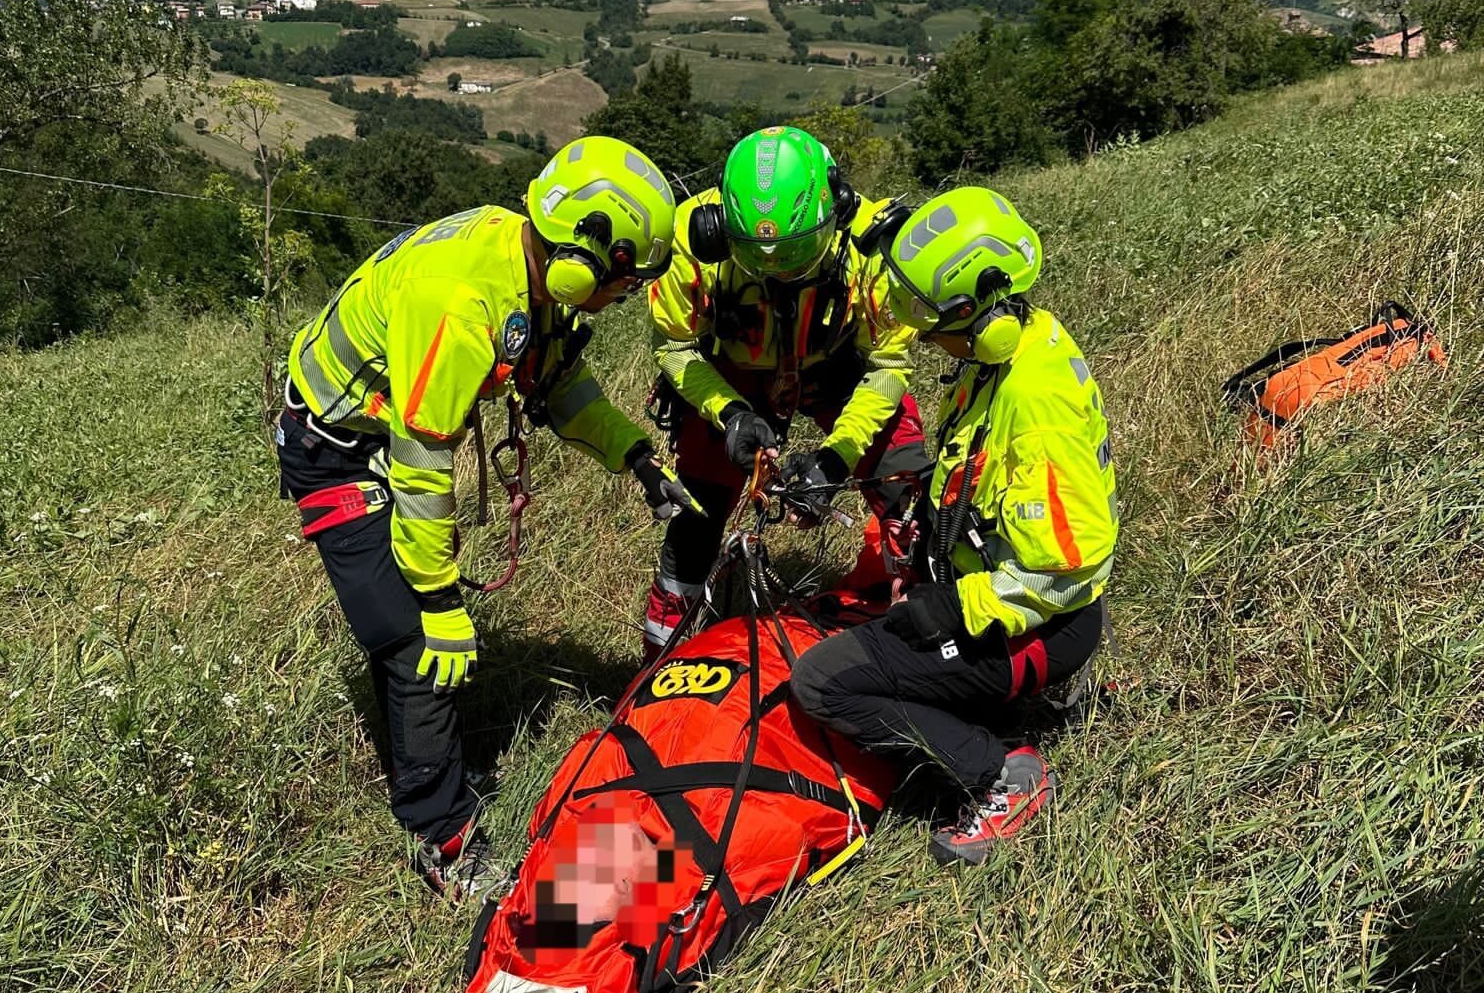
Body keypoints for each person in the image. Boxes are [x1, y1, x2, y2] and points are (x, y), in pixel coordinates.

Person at [279, 136, 693, 893]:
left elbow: (561, 387)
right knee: (412, 639)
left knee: (410, 628)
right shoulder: (461, 304)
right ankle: (443, 839)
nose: (625, 298)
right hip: (335, 449)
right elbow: (421, 463)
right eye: (626, 282)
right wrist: (439, 599)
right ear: (584, 259)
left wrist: (637, 458)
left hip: (383, 435)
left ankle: (430, 766)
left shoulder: (528, 266)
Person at [789, 186, 1118, 867]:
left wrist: (952, 608)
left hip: (1043, 624)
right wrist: (925, 555)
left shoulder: (1036, 403)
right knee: (871, 630)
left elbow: (1068, 565)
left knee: (822, 682)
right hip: (1010, 607)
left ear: (977, 314)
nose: (924, 337)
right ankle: (1003, 706)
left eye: (932, 322)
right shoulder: (1010, 352)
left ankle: (1004, 776)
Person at [642, 125, 928, 657]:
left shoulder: (875, 246)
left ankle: (926, 618)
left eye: (798, 256)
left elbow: (888, 364)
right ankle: (664, 647)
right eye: (757, 259)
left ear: (836, 208)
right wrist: (729, 413)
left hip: (836, 362)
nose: (779, 274)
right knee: (700, 507)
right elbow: (675, 346)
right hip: (730, 369)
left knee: (906, 483)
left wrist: (836, 459)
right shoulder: (689, 239)